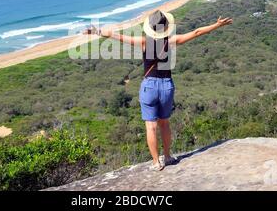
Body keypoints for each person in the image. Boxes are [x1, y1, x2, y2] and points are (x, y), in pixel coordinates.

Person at [84, 10, 233, 171]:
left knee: (151, 126)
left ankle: (156, 163)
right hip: (166, 86)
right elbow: (196, 32)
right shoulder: (171, 41)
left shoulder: (142, 42)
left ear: (150, 27)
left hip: (149, 86)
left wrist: (96, 31)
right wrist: (217, 25)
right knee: (164, 123)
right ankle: (167, 157)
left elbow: (114, 35)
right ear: (166, 27)